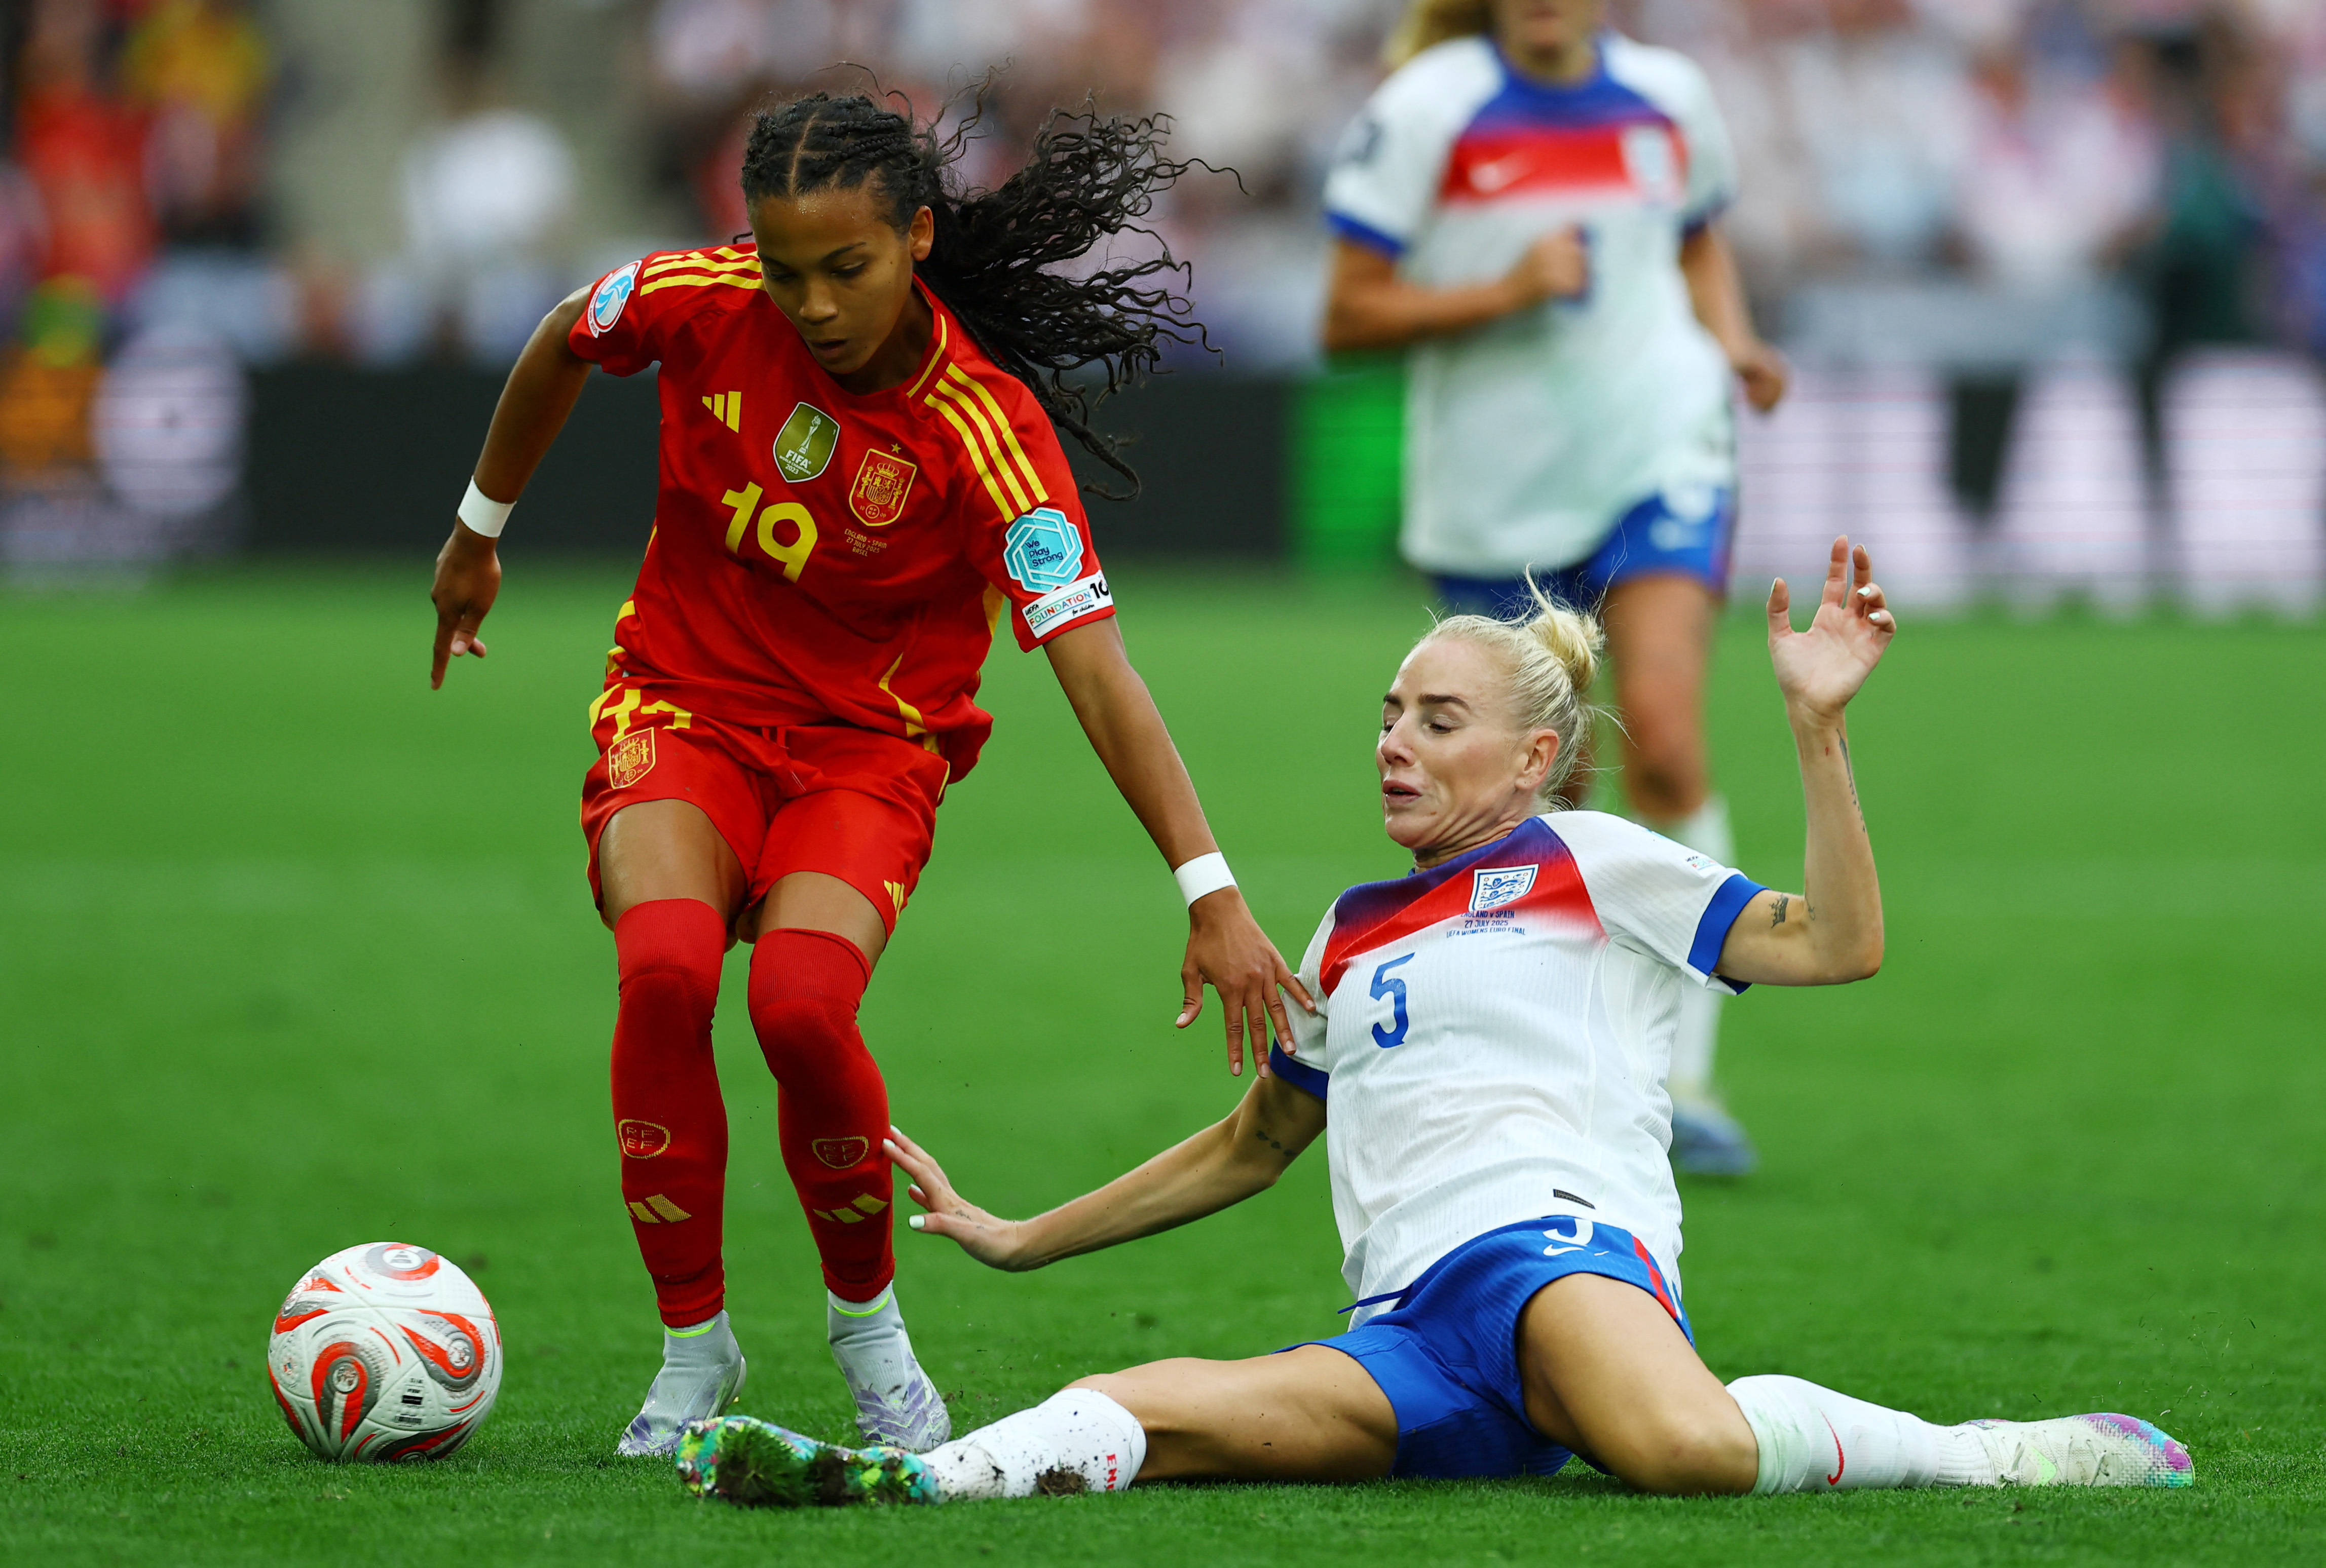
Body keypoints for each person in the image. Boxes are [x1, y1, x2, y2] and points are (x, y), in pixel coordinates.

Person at [669, 539, 2194, 1506]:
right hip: (1404, 1333)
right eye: (1388, 716)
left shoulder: (1592, 865)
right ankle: (900, 1483)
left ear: (1533, 758)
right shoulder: (1342, 932)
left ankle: (1999, 1453)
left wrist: (1814, 730)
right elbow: (1250, 1145)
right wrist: (1019, 1235)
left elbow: (1841, 945)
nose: (1395, 745)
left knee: (1682, 1454)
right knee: (1153, 1412)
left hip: (1557, 1259)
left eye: (1435, 721)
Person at [425, 92, 1310, 1458]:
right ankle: (690, 1348)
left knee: (794, 1005)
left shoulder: (984, 430)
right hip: (682, 705)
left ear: (913, 237)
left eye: (846, 269)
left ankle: (866, 1331)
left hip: (867, 751)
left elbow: (1096, 670)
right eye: (785, 271)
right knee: (663, 968)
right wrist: (481, 528)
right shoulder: (698, 301)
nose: (813, 304)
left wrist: (1209, 889)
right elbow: (562, 336)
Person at [1319, 0, 1791, 1174]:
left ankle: (1684, 1081)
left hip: (1659, 453)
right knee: (1540, 811)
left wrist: (1729, 341)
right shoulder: (1426, 107)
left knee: (1670, 748)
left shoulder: (1671, 95)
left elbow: (1693, 240)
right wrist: (1504, 289)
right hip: (1496, 499)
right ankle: (1569, 1074)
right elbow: (1345, 315)